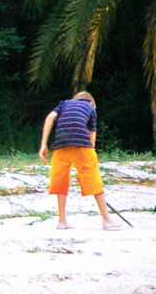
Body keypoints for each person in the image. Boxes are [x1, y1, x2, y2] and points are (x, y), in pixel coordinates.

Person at [38, 91, 122, 230]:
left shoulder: (64, 104)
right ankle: (106, 220)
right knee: (93, 179)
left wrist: (43, 145)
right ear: (91, 103)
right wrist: (86, 167)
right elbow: (92, 136)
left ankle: (62, 222)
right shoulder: (91, 108)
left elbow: (50, 117)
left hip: (61, 144)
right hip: (82, 145)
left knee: (61, 181)